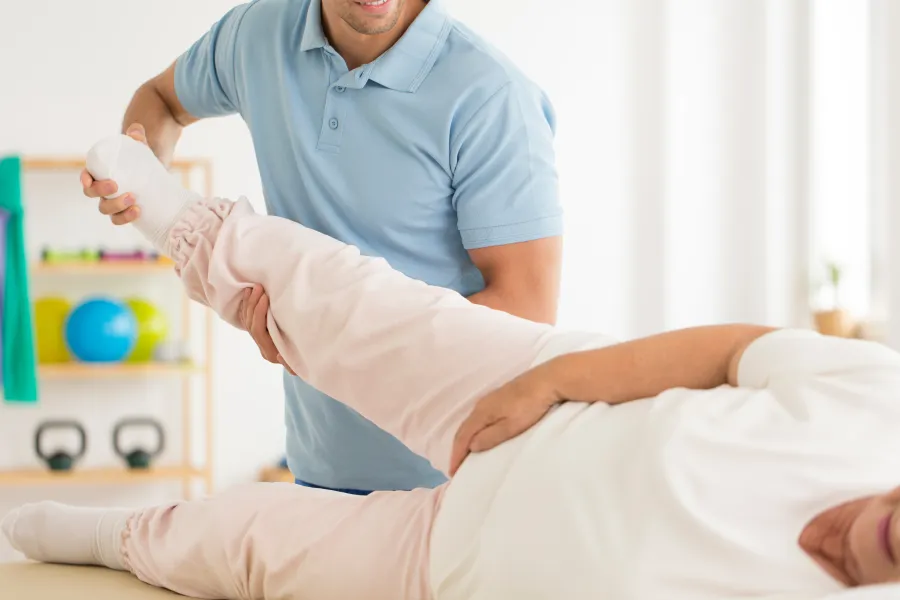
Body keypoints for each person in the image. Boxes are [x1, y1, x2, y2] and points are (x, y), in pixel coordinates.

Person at [6, 133, 900, 600]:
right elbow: (727, 351)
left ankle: (92, 536)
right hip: (549, 397)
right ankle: (176, 218)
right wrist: (543, 382)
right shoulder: (880, 400)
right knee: (344, 298)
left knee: (243, 548)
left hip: (460, 570)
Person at [80, 0, 564, 495]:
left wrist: (325, 338)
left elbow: (525, 316)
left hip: (457, 481)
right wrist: (144, 176)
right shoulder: (259, 34)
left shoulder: (492, 98)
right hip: (320, 470)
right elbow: (162, 97)